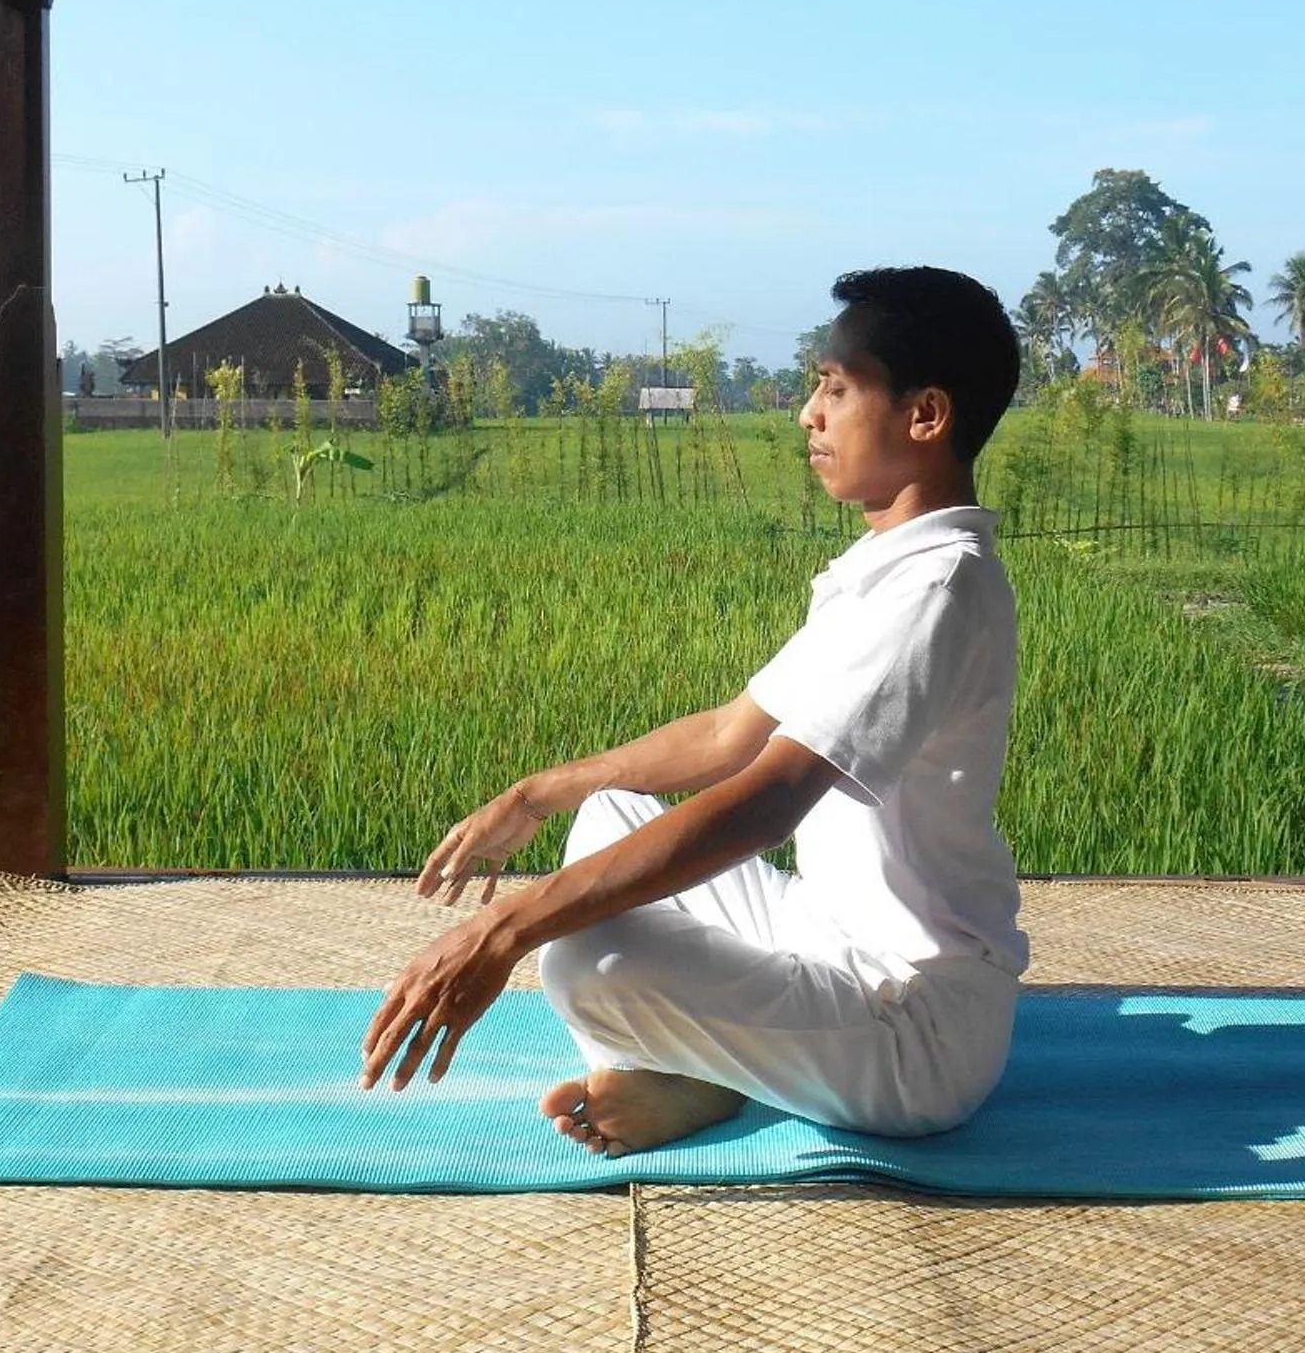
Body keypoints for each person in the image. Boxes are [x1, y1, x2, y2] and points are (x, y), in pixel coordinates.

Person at [361, 266, 1026, 1156]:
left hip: (910, 1028)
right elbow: (727, 735)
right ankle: (693, 1073)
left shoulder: (934, 589)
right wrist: (535, 793)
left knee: (583, 960)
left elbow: (764, 799)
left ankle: (699, 1075)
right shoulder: (893, 568)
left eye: (834, 387)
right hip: (825, 937)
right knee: (607, 814)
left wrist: (502, 928)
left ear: (926, 414)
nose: (808, 414)